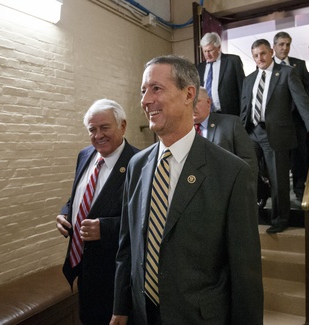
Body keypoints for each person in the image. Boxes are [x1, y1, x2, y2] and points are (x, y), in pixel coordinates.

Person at [111, 55, 263, 325]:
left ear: (188, 93)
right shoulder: (136, 165)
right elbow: (128, 246)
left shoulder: (231, 172)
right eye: (143, 91)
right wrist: (120, 308)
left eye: (156, 88)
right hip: (143, 314)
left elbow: (245, 274)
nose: (145, 100)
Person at [56, 99, 139, 325]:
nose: (98, 135)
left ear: (122, 126)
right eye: (92, 129)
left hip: (117, 277)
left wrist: (107, 228)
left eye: (105, 127)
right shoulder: (85, 155)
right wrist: (65, 212)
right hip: (85, 270)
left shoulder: (139, 163)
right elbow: (80, 195)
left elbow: (146, 219)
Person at [241, 39, 309, 234]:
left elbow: (302, 101)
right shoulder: (249, 79)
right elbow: (245, 108)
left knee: (278, 178)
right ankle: (261, 197)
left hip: (276, 134)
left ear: (271, 52)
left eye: (262, 53)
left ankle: (280, 218)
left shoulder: (287, 73)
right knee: (246, 171)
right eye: (255, 55)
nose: (259, 58)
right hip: (252, 132)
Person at [274, 31, 309, 200]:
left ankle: (299, 189)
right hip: (276, 121)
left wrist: (299, 107)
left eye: (287, 44)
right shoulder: (267, 66)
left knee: (299, 156)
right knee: (279, 156)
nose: (285, 48)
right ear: (274, 46)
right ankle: (277, 192)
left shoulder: (299, 64)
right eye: (281, 44)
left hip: (296, 119)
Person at [193, 86, 258, 178]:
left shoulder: (231, 124)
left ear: (208, 102)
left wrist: (244, 189)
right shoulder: (180, 129)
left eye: (196, 101)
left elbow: (249, 161)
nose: (192, 107)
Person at [196, 32, 245, 116]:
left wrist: (243, 116)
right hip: (207, 115)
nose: (207, 54)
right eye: (204, 51)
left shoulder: (233, 61)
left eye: (210, 50)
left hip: (229, 114)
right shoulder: (200, 68)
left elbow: (243, 90)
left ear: (218, 47)